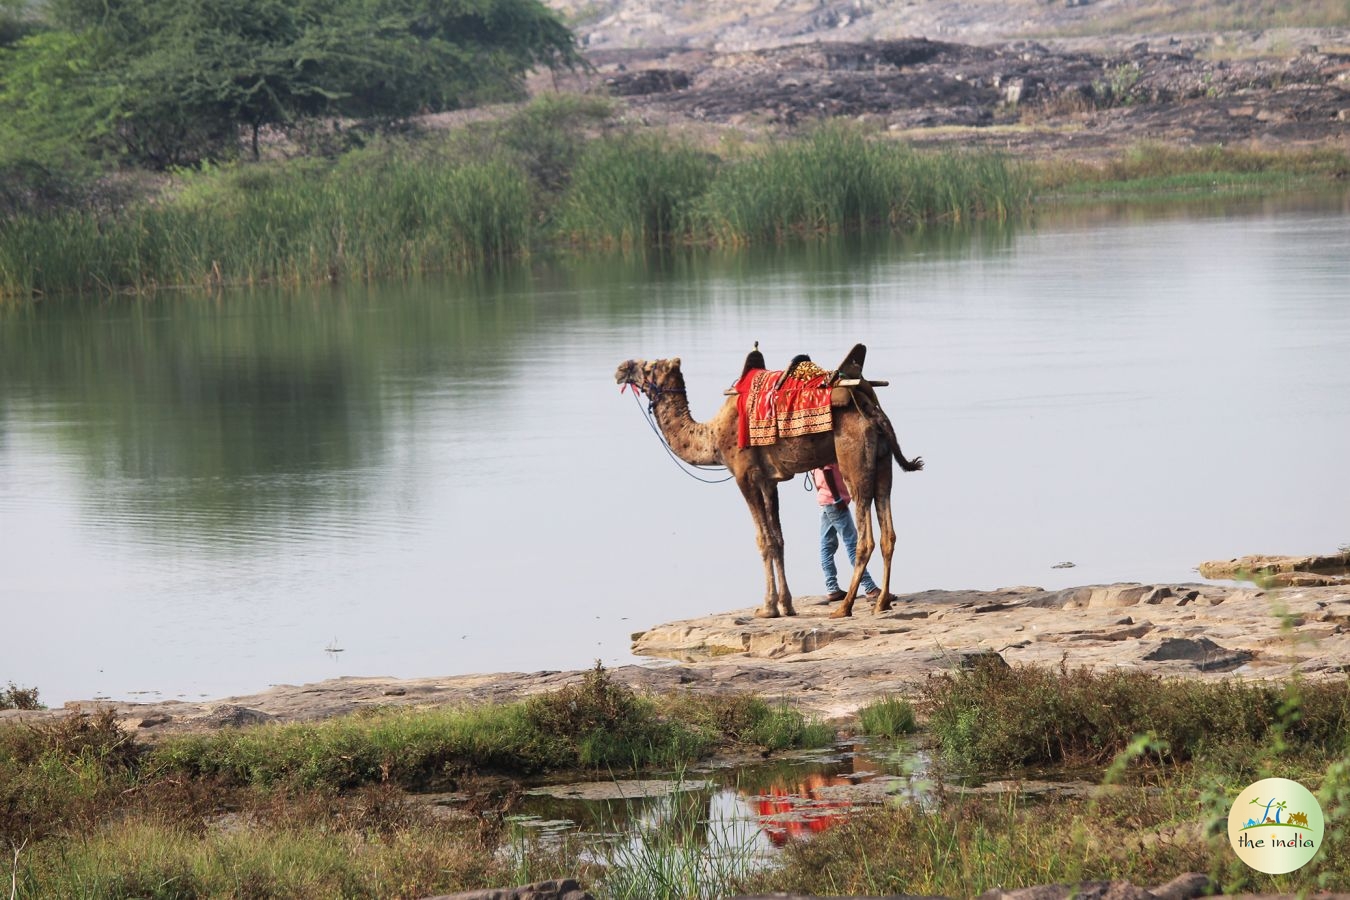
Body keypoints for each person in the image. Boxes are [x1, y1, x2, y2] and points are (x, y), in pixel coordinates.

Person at [811, 464, 886, 603]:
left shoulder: (817, 456)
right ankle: (870, 588)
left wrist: (824, 495)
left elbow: (815, 475)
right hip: (835, 503)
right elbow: (827, 471)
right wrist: (837, 498)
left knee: (827, 545)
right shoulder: (827, 450)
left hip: (826, 502)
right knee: (853, 544)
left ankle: (832, 588)